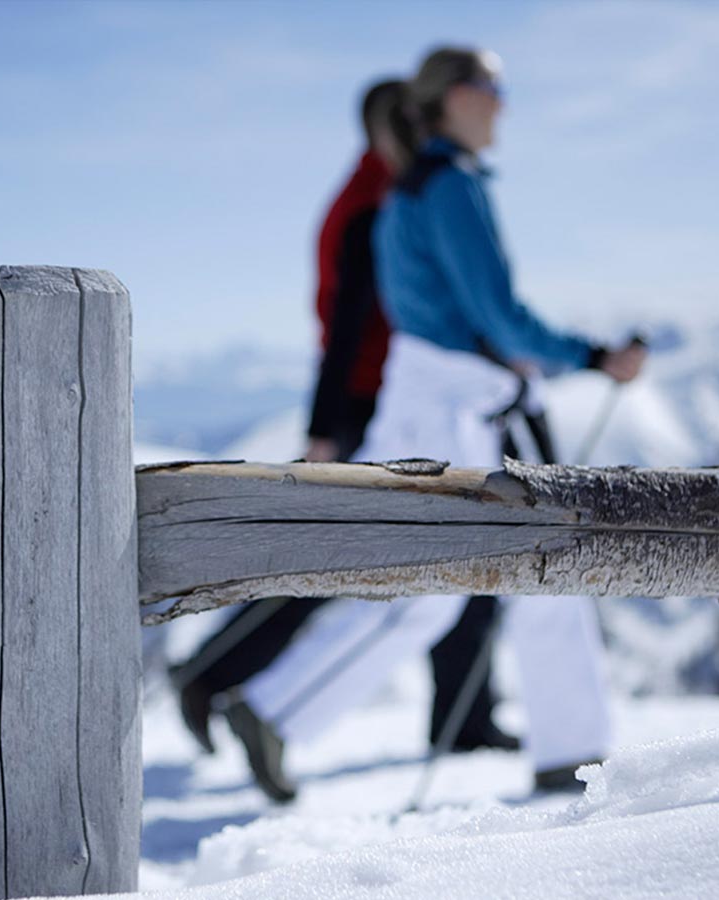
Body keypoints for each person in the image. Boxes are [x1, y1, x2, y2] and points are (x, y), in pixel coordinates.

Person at [227, 46, 646, 801]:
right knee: (540, 570)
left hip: (431, 400)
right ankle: (574, 755)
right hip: (463, 410)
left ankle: (276, 710)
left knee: (429, 592)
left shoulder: (411, 189)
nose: (503, 104)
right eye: (492, 88)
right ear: (454, 97)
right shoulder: (449, 186)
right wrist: (593, 356)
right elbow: (499, 319)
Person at [171, 78, 518, 780]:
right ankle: (211, 674)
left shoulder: (377, 196)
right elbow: (348, 330)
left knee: (407, 556)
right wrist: (329, 429)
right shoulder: (375, 207)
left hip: (393, 402)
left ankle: (467, 713)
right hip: (376, 409)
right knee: (339, 561)